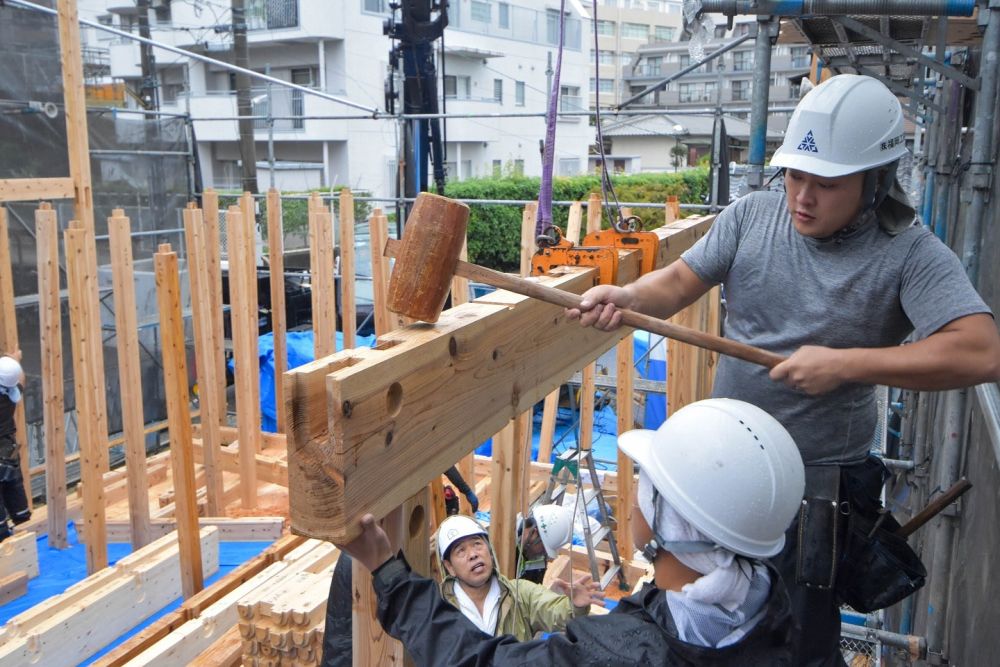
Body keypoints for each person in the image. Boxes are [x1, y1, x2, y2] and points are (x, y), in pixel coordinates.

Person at [567, 74, 1000, 666]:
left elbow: (981, 350)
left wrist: (847, 365)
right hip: (718, 472)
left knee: (795, 634)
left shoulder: (909, 253)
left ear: (874, 183)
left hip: (815, 486)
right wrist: (628, 298)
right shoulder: (751, 217)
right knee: (697, 617)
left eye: (825, 184)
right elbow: (676, 281)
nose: (802, 197)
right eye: (795, 175)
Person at [336, 398, 805, 665]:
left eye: (647, 483)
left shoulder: (623, 654)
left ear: (669, 523)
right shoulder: (766, 603)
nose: (633, 487)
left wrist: (387, 572)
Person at [434, 513, 602, 641]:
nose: (473, 554)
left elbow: (555, 613)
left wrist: (574, 606)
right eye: (461, 550)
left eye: (477, 544)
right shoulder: (437, 608)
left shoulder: (520, 593)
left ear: (490, 552)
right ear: (450, 567)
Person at [0, 354, 30, 541]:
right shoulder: (10, 397)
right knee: (14, 488)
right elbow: (22, 381)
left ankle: (3, 535)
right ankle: (24, 525)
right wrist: (16, 362)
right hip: (7, 450)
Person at [514, 503, 575, 583]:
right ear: (534, 533)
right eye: (543, 548)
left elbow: (535, 590)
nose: (542, 553)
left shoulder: (538, 558)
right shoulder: (505, 543)